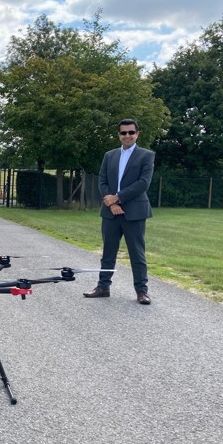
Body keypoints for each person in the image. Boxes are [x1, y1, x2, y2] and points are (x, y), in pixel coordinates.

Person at [84, 118, 155, 304]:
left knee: (137, 253)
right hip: (110, 212)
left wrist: (118, 197)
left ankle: (142, 291)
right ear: (119, 135)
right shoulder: (110, 155)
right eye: (123, 132)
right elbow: (103, 181)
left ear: (137, 134)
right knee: (108, 252)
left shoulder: (146, 155)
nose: (127, 136)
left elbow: (143, 183)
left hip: (134, 212)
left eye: (131, 132)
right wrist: (111, 203)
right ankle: (103, 287)